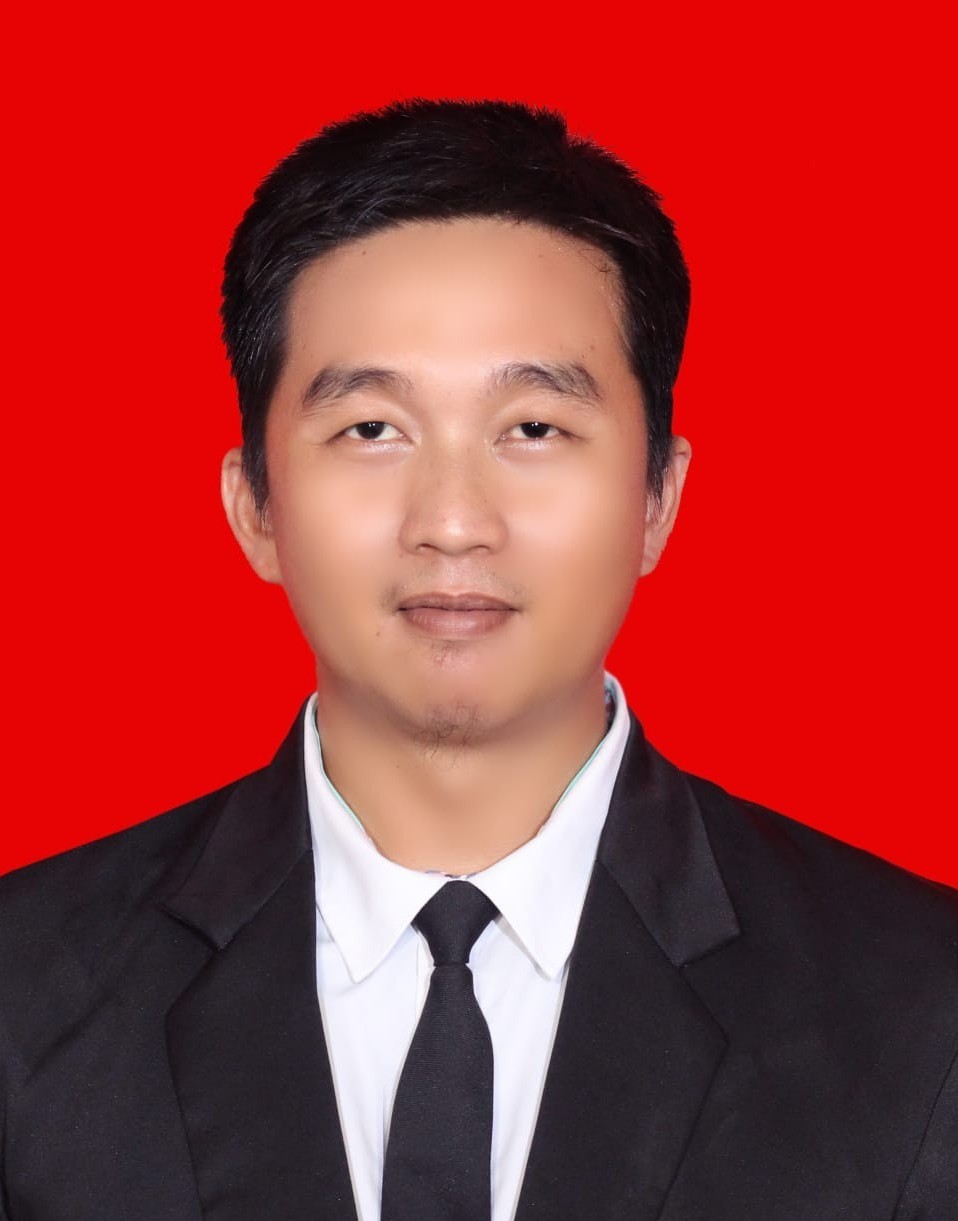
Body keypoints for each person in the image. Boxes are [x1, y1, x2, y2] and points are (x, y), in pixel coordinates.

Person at [1, 98, 956, 1221]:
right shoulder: (26, 995)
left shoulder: (923, 1006)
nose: (453, 522)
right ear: (254, 503)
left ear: (658, 497)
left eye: (533, 429)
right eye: (371, 429)